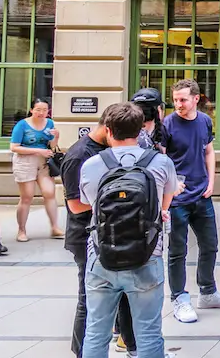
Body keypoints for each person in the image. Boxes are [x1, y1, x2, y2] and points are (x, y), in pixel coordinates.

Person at [77, 102, 178, 358]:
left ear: (108, 130)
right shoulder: (162, 162)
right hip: (147, 256)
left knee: (96, 333)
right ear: (141, 128)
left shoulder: (91, 165)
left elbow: (89, 204)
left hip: (102, 256)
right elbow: (165, 205)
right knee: (149, 333)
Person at [62, 112, 137, 357]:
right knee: (89, 300)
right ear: (108, 129)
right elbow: (75, 204)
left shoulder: (107, 149)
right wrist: (116, 202)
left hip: (110, 232)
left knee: (125, 294)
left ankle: (132, 346)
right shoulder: (79, 155)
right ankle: (82, 351)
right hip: (85, 236)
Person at [163, 79, 220, 323]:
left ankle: (207, 291)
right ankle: (179, 298)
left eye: (182, 99)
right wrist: (171, 188)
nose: (178, 104)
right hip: (177, 200)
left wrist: (210, 181)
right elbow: (162, 160)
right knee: (177, 251)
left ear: (196, 99)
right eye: (175, 100)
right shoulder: (168, 124)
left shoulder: (204, 121)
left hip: (201, 194)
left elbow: (208, 150)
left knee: (210, 245)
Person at [10, 97, 63, 242]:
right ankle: (21, 230)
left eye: (45, 110)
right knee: (27, 196)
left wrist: (56, 138)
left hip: (44, 162)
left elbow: (52, 146)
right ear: (32, 110)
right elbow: (14, 147)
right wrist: (37, 151)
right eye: (38, 110)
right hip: (25, 161)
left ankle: (54, 227)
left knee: (49, 192)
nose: (41, 113)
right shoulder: (22, 125)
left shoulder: (50, 123)